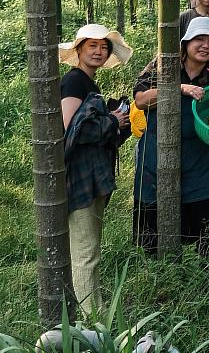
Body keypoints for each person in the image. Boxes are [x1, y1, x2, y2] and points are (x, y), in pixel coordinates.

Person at [132, 17, 209, 255]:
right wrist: (180, 88)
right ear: (186, 42)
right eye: (199, 39)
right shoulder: (163, 66)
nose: (205, 45)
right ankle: (161, 276)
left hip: (198, 159)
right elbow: (141, 100)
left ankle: (204, 275)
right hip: (159, 156)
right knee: (153, 234)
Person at [59, 24, 132, 314]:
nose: (99, 51)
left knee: (88, 250)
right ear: (78, 50)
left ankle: (92, 312)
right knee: (86, 253)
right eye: (92, 46)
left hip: (92, 176)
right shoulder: (74, 81)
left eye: (104, 47)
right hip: (80, 178)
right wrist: (113, 120)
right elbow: (68, 130)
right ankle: (94, 320)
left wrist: (116, 122)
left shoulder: (89, 82)